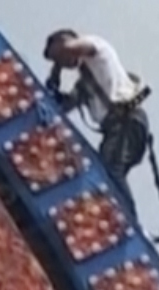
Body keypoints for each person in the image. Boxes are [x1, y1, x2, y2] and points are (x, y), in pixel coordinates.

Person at [41, 29, 152, 211]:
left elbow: (72, 47)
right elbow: (61, 107)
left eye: (59, 58)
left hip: (127, 119)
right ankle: (119, 211)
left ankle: (129, 218)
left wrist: (60, 53)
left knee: (110, 167)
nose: (63, 62)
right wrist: (56, 74)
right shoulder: (84, 85)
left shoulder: (96, 48)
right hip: (116, 128)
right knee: (107, 172)